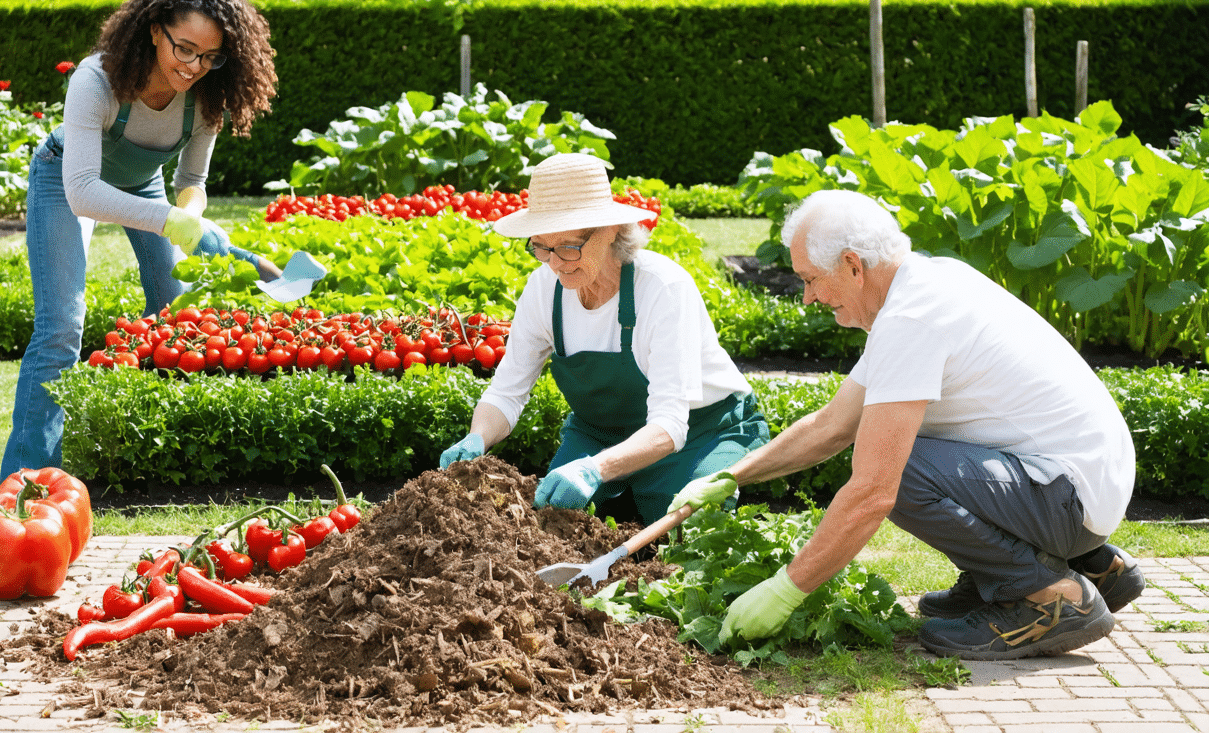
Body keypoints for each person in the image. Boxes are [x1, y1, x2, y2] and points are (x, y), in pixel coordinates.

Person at [670, 189, 1143, 660]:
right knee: (889, 444)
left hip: (1069, 496)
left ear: (853, 266)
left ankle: (1047, 597)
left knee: (899, 465)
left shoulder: (912, 319)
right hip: (1081, 486)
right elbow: (833, 426)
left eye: (811, 279)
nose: (810, 296)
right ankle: (1089, 567)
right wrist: (732, 476)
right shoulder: (924, 285)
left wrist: (785, 591)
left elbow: (874, 491)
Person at [0, 0, 280, 481]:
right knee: (61, 327)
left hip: (143, 186)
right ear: (155, 30)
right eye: (185, 49)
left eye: (210, 57)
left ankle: (153, 458)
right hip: (64, 180)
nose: (194, 67)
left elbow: (191, 179)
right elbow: (82, 190)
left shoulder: (207, 99)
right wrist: (169, 219)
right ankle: (25, 481)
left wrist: (190, 216)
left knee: (174, 320)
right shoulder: (96, 80)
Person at [438, 152, 769, 524]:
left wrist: (593, 470)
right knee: (554, 519)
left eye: (568, 247)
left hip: (701, 431)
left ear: (610, 230)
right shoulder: (543, 289)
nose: (556, 263)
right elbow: (506, 392)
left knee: (682, 521)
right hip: (600, 434)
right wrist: (478, 438)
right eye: (542, 247)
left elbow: (670, 426)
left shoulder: (663, 288)